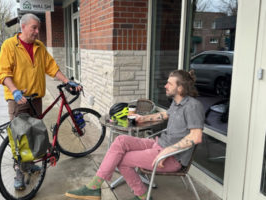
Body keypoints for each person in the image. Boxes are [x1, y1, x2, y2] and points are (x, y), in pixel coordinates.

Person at [65, 70, 205, 200]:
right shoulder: (177, 103)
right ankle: (95, 187)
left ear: (180, 88)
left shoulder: (193, 106)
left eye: (169, 83)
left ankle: (139, 194)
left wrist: (167, 151)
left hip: (172, 158)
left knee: (121, 160)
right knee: (121, 140)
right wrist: (143, 118)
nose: (165, 85)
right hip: (159, 144)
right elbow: (165, 114)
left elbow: (196, 136)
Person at [0, 13, 80, 190]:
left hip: (36, 99)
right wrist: (14, 90)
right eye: (34, 28)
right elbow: (3, 73)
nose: (37, 32)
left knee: (33, 134)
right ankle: (19, 170)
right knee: (19, 138)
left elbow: (52, 68)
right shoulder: (10, 45)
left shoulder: (40, 47)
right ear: (23, 27)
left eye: (38, 29)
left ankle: (29, 164)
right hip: (18, 99)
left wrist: (66, 81)